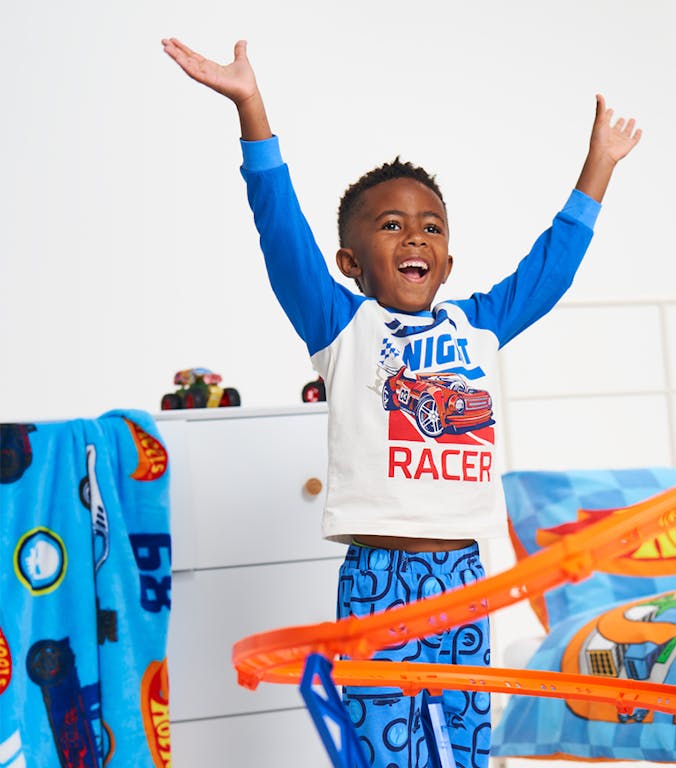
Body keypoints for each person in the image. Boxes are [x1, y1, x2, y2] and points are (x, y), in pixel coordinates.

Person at [162, 37, 641, 768]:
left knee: (463, 748)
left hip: (462, 579)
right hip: (379, 576)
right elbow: (281, 232)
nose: (414, 235)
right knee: (385, 753)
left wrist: (598, 166)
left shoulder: (478, 326)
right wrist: (251, 108)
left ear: (445, 263)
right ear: (350, 262)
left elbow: (550, 268)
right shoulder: (341, 326)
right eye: (391, 225)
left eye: (430, 227)